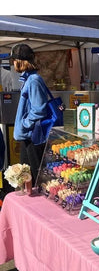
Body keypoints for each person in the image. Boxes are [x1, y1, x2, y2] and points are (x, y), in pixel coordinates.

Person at [1, 44, 49, 185]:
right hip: (28, 135)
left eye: (14, 60)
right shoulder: (29, 79)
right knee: (26, 176)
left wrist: (24, 124)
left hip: (33, 136)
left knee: (34, 177)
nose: (13, 63)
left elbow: (39, 109)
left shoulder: (34, 80)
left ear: (20, 61)